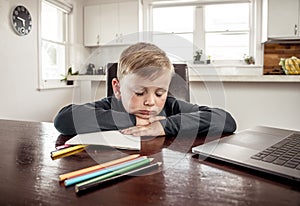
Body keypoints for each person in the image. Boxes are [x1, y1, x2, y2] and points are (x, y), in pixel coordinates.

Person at [54, 42, 236, 138]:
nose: (150, 102)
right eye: (139, 93)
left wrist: (165, 125)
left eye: (159, 93)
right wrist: (133, 120)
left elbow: (226, 120)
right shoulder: (111, 105)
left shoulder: (171, 107)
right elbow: (63, 119)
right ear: (117, 89)